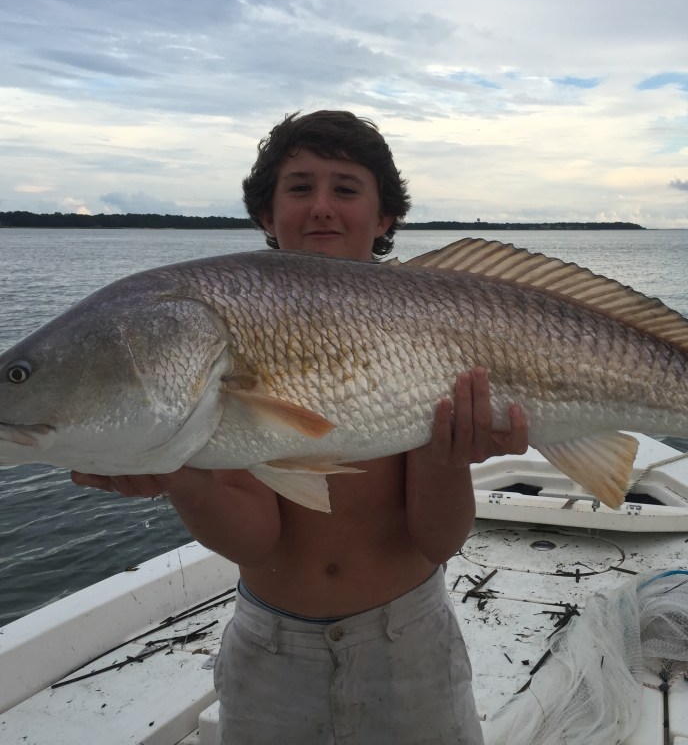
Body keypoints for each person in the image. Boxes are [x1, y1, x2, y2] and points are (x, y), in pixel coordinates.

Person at [73, 110, 529, 744]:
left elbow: (438, 538)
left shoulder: (427, 329)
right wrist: (184, 479)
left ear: (384, 217)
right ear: (266, 214)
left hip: (410, 640)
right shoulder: (237, 332)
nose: (321, 206)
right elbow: (256, 539)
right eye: (299, 187)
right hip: (271, 649)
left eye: (345, 188)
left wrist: (445, 457)